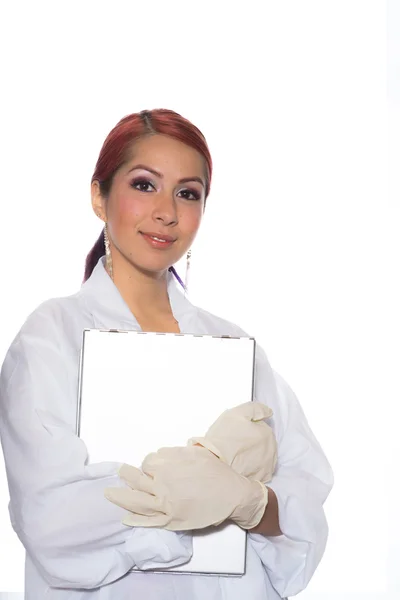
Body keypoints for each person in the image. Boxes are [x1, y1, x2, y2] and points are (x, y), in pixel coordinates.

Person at [0, 109, 333, 600]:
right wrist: (186, 493)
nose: (167, 212)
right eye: (143, 185)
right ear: (99, 195)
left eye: (187, 193)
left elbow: (305, 509)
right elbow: (51, 517)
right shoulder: (52, 337)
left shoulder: (238, 349)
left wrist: (248, 501)